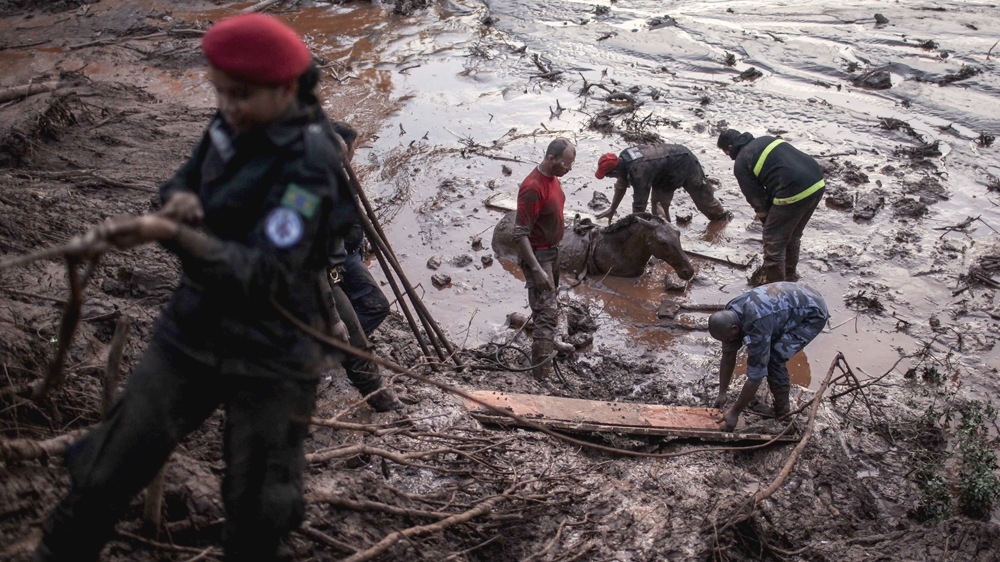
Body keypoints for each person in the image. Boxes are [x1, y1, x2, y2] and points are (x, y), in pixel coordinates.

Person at [34, 14, 357, 562]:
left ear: (284, 89)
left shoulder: (311, 161)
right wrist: (180, 200)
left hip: (274, 350)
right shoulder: (231, 121)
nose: (227, 105)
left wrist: (172, 235)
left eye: (241, 94)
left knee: (258, 509)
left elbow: (265, 273)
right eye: (220, 91)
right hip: (195, 326)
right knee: (109, 464)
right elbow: (189, 176)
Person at [325, 120, 401, 411]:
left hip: (327, 271)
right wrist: (333, 315)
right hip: (315, 278)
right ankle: (382, 401)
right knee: (354, 341)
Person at [709, 282, 829, 432]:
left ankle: (783, 415)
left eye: (727, 339)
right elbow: (728, 354)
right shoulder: (731, 311)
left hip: (812, 314)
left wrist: (734, 414)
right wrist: (722, 393)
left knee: (774, 358)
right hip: (792, 301)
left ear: (734, 329)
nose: (727, 342)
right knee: (764, 349)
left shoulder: (757, 323)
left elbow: (756, 376)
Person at [717, 129, 825, 285]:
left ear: (730, 147)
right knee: (793, 235)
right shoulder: (766, 140)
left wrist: (766, 220)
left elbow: (756, 198)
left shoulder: (742, 161)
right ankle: (790, 278)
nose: (729, 156)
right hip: (817, 182)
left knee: (773, 242)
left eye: (727, 153)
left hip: (793, 190)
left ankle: (777, 289)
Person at [513, 138, 576, 381]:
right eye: (566, 164)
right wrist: (536, 269)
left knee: (549, 307)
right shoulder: (532, 188)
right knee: (546, 316)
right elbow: (520, 234)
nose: (569, 168)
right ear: (551, 159)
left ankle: (546, 352)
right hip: (539, 256)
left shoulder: (553, 178)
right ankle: (540, 377)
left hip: (552, 252)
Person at [593, 144, 729, 224]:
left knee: (703, 199)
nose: (609, 178)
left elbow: (639, 206)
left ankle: (722, 220)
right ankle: (668, 233)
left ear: (615, 171)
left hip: (683, 161)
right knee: (658, 205)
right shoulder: (623, 159)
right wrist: (612, 209)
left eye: (608, 175)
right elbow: (621, 186)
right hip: (662, 171)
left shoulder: (638, 171)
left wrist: (631, 229)